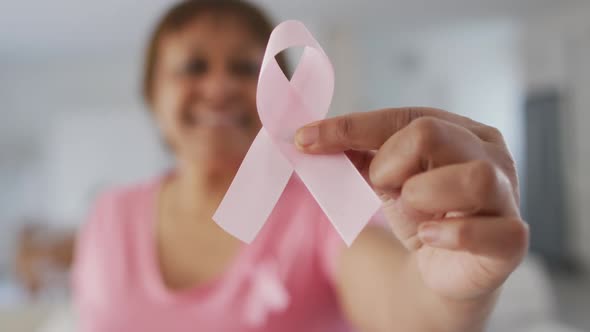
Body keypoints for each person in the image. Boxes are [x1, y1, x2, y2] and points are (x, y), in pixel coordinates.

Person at [70, 1, 529, 331]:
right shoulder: (110, 213)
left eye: (246, 68)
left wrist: (449, 293)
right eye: (192, 67)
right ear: (152, 95)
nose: (219, 87)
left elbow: (402, 303)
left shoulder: (317, 215)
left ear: (283, 97)